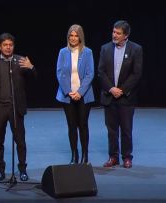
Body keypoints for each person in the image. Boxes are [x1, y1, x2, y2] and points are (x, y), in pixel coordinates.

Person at [0, 33, 36, 182]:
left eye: (10, 45)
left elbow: (34, 78)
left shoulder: (21, 61)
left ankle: (22, 170)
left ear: (13, 46)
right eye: (5, 45)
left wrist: (31, 67)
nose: (8, 48)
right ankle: (0, 171)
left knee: (20, 141)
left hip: (16, 108)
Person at [98, 20, 143, 168]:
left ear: (126, 35)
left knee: (126, 129)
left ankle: (127, 157)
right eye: (113, 32)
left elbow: (136, 74)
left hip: (126, 97)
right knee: (111, 130)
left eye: (118, 33)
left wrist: (121, 90)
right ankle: (113, 157)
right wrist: (111, 88)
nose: (114, 35)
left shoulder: (136, 49)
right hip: (109, 95)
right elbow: (101, 72)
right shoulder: (105, 48)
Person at [56, 24, 95, 165]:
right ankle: (74, 154)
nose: (73, 38)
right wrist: (69, 92)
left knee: (83, 125)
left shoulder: (87, 52)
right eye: (71, 35)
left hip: (84, 95)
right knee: (71, 126)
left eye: (76, 35)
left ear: (80, 37)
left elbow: (90, 74)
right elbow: (60, 73)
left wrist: (80, 92)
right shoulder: (63, 52)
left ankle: (85, 155)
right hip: (68, 95)